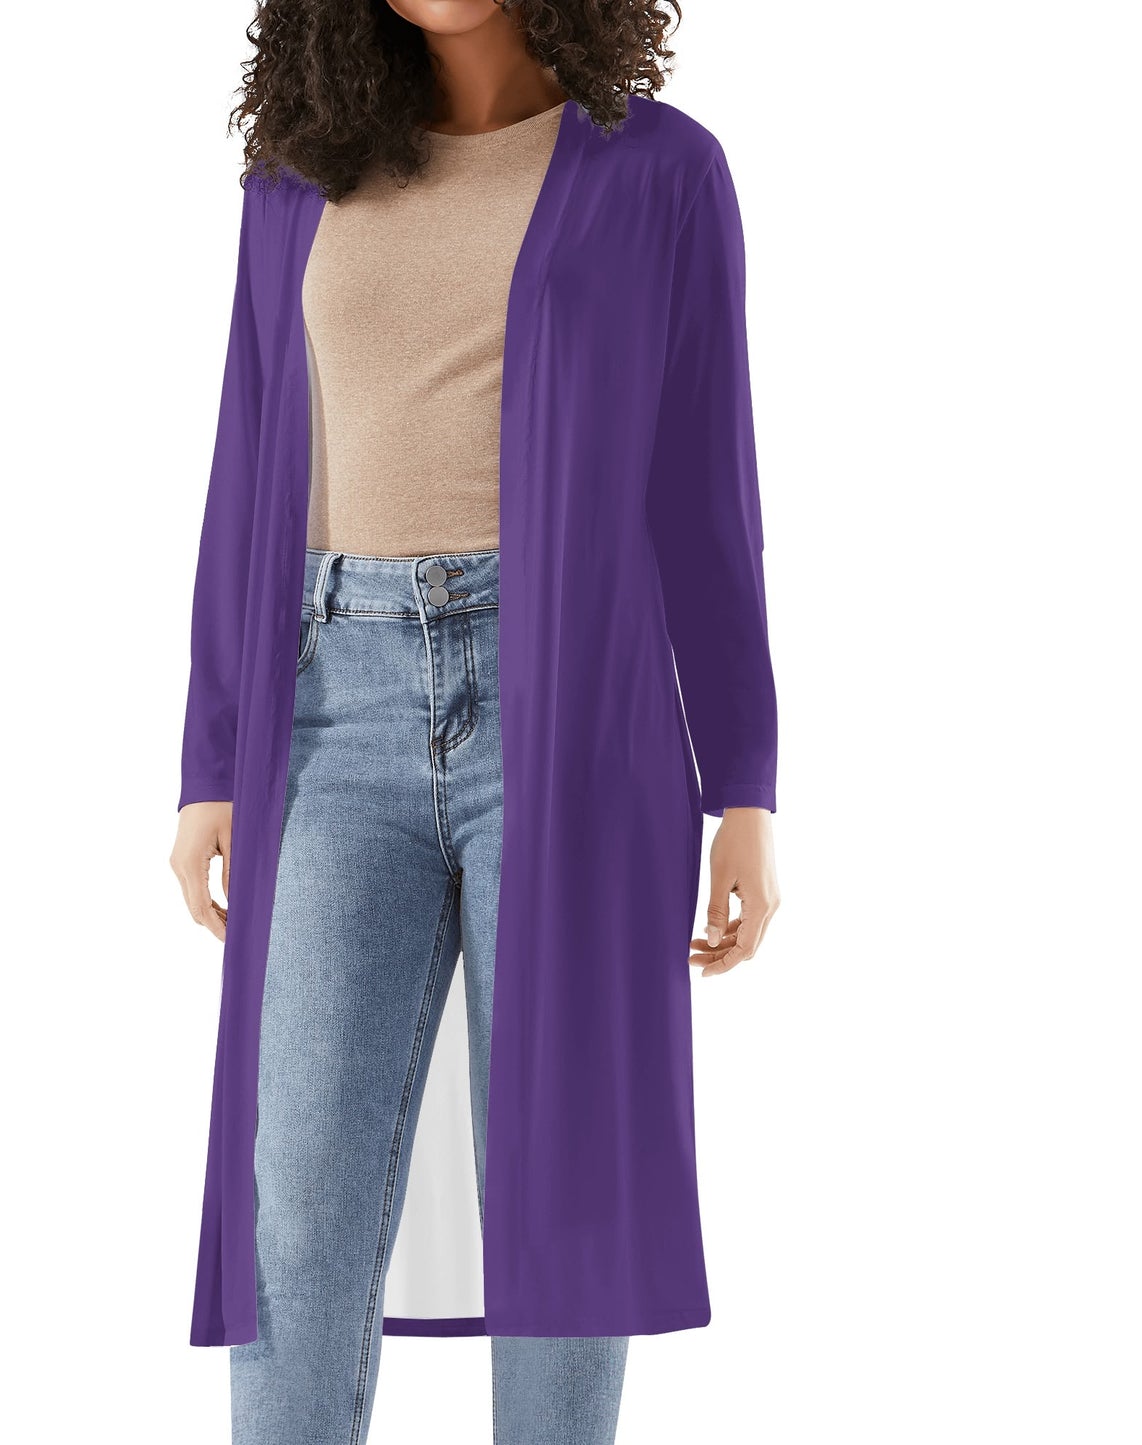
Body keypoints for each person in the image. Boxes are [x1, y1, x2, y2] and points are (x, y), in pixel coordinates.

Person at [169, 2, 781, 1441]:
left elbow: (706, 486)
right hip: (331, 711)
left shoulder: (661, 172)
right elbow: (249, 460)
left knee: (564, 1181)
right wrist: (213, 756)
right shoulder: (298, 178)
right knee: (297, 1191)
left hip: (575, 716)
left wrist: (743, 783)